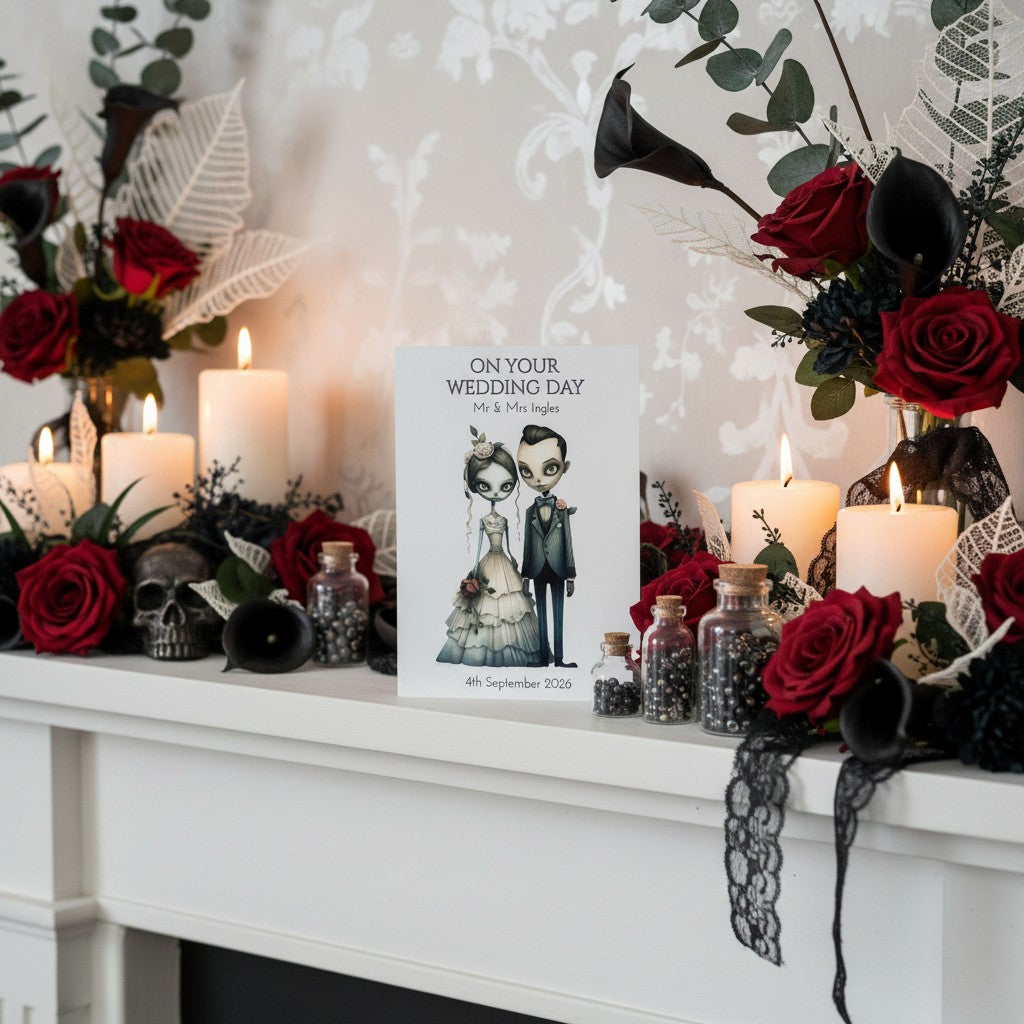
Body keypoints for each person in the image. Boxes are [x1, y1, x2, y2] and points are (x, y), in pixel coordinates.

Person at [437, 433, 540, 666]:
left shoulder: (503, 519)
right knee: (487, 607)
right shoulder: (484, 519)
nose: (495, 493)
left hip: (503, 559)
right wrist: (473, 570)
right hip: (488, 561)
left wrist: (514, 560)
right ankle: (480, 651)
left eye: (505, 486)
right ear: (475, 485)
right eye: (485, 485)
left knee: (509, 607)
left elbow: (510, 545)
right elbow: (478, 546)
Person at [517, 424, 576, 668]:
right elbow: (528, 546)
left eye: (550, 468)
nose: (538, 479)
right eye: (526, 471)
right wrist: (525, 575)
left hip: (560, 568)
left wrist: (571, 575)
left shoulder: (563, 511)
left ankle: (560, 659)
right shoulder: (530, 511)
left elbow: (568, 542)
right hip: (538, 569)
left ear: (565, 467)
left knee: (558, 615)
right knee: (540, 614)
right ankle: (543, 658)